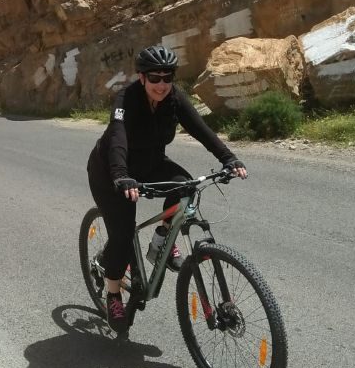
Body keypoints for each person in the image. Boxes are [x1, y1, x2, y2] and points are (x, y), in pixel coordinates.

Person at [86, 45, 248, 333]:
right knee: (122, 236)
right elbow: (118, 137)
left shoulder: (174, 98)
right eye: (155, 78)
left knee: (186, 188)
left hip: (149, 163)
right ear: (142, 77)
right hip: (110, 171)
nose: (162, 84)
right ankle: (113, 294)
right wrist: (121, 176)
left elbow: (201, 129)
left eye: (167, 78)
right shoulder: (126, 99)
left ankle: (162, 238)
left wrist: (228, 159)